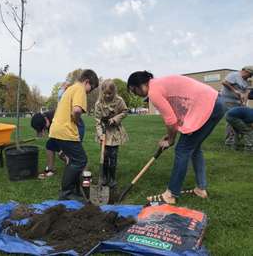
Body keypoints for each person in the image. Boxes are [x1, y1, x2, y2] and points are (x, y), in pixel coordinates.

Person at [127, 71, 224, 204]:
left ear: (140, 85)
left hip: (207, 105)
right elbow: (177, 113)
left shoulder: (153, 91)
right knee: (194, 148)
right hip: (216, 102)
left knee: (182, 149)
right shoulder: (160, 84)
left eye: (133, 90)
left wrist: (171, 140)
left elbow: (171, 120)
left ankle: (171, 195)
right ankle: (201, 189)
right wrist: (170, 134)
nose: (135, 94)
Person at [49, 69, 99, 201]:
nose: (89, 92)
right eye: (91, 88)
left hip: (56, 129)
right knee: (80, 160)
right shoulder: (80, 89)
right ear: (87, 82)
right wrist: (76, 121)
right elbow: (77, 110)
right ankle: (66, 193)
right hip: (66, 130)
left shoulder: (71, 88)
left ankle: (74, 190)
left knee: (73, 160)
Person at [94, 79, 129, 188]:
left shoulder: (119, 100)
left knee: (113, 156)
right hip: (104, 133)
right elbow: (97, 121)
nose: (107, 95)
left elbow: (125, 111)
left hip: (114, 133)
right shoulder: (99, 103)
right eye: (105, 93)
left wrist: (115, 119)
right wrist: (100, 134)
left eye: (110, 93)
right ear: (102, 92)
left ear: (114, 92)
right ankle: (104, 177)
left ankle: (112, 178)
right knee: (104, 156)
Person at [220, 66, 253, 146]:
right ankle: (229, 142)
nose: (250, 77)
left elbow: (245, 93)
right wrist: (235, 90)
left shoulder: (245, 81)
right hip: (227, 100)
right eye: (250, 74)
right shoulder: (234, 75)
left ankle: (235, 141)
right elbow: (224, 82)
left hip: (237, 102)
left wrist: (244, 102)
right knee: (231, 120)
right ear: (245, 71)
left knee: (238, 121)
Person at [31, 110, 68, 179]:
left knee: (63, 154)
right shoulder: (44, 118)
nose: (44, 130)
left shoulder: (56, 118)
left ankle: (77, 167)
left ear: (45, 120)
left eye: (44, 128)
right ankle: (50, 169)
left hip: (72, 132)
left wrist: (62, 149)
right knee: (49, 145)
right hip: (60, 134)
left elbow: (64, 135)